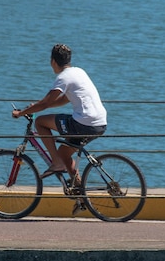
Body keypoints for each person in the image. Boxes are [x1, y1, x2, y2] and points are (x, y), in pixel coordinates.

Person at [12, 44, 107, 182]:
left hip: (83, 123)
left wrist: (21, 113)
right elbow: (63, 100)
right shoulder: (79, 72)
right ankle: (80, 193)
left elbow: (45, 103)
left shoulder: (63, 77)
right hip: (100, 123)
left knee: (40, 122)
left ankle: (56, 163)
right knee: (64, 153)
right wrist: (37, 106)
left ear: (53, 61)